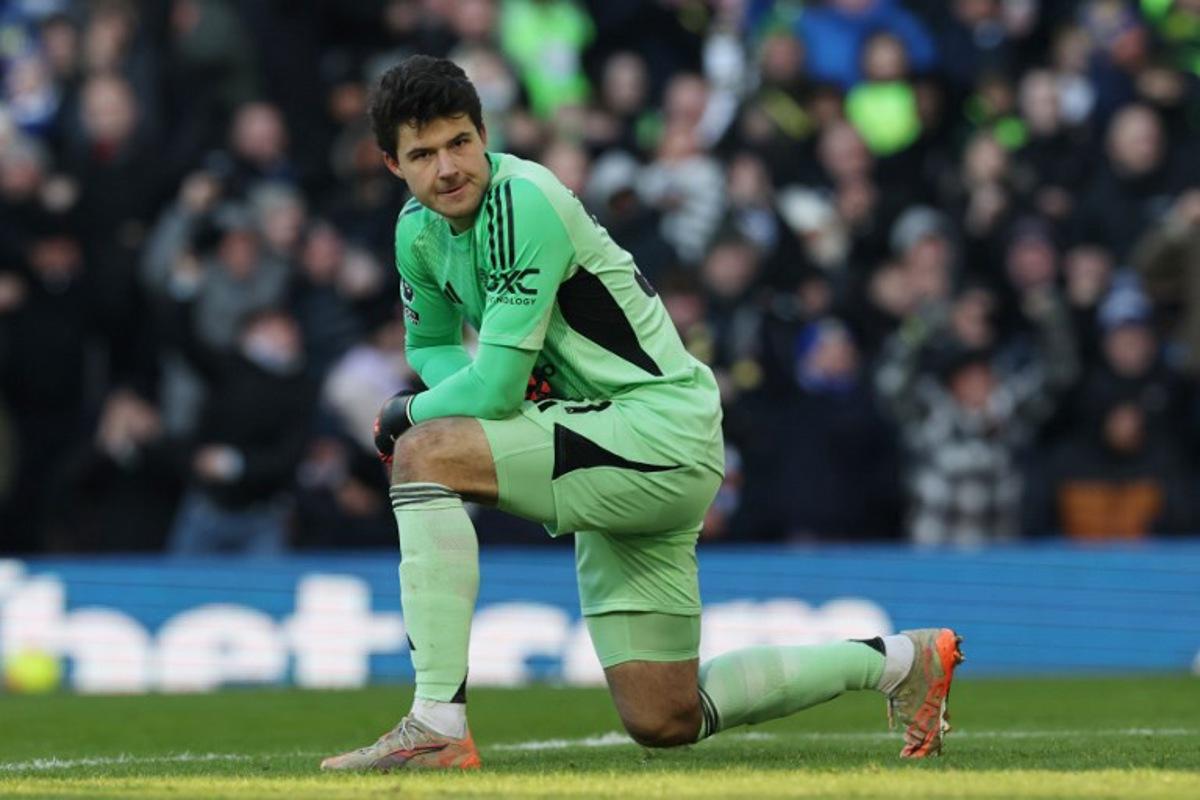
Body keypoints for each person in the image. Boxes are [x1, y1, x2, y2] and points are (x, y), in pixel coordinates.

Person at [320, 55, 963, 772]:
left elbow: (495, 391)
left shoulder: (522, 200)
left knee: (423, 454)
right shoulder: (417, 232)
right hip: (604, 436)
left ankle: (435, 721)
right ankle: (904, 662)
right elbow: (435, 344)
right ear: (390, 164)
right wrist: (445, 394)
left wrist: (409, 409)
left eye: (459, 142)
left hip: (653, 426)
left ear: (484, 133)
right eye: (423, 154)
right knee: (665, 716)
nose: (447, 168)